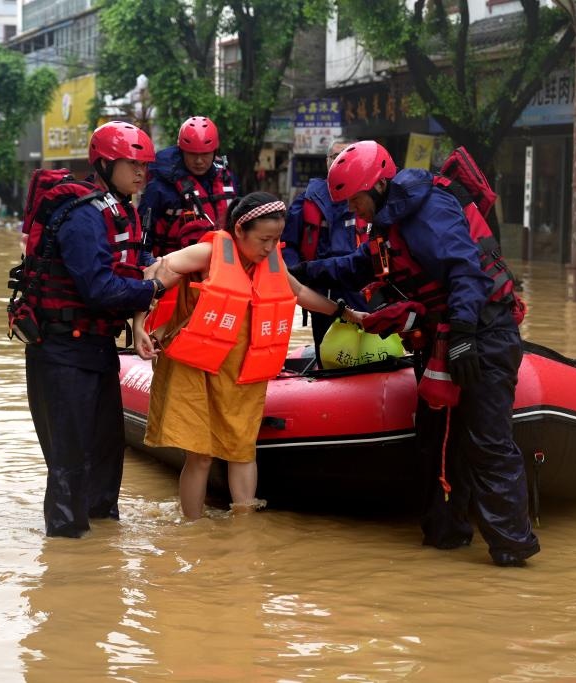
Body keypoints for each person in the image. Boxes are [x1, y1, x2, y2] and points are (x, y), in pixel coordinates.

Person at [291, 141, 540, 567]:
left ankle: (513, 549)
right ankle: (446, 536)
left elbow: (466, 271)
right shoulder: (389, 223)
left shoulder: (429, 212)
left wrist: (462, 335)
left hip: (481, 334)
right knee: (435, 439)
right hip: (443, 337)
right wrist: (300, 271)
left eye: (356, 199)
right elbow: (361, 266)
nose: (355, 210)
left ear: (380, 184)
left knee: (487, 440)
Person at [132, 192, 366, 520]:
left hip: (240, 371)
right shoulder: (209, 253)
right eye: (264, 239)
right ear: (240, 231)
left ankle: (244, 530)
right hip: (194, 367)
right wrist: (140, 325)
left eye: (276, 239)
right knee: (199, 456)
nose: (271, 248)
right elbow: (159, 270)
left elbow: (298, 293)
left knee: (243, 451)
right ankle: (192, 531)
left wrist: (346, 313)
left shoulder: (270, 263)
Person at [19, 121, 180, 538]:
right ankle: (67, 552)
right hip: (60, 352)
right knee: (70, 460)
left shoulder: (122, 209)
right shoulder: (84, 217)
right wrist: (152, 288)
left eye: (145, 164)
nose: (142, 173)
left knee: (108, 453)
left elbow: (124, 276)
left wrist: (141, 318)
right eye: (132, 164)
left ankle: (103, 550)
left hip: (96, 348)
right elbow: (98, 288)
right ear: (106, 164)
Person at [281, 138, 371, 362]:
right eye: (335, 157)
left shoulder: (368, 199)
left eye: (347, 156)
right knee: (327, 350)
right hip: (321, 287)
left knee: (368, 348)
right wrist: (294, 277)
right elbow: (289, 244)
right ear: (327, 161)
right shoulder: (307, 200)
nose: (340, 161)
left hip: (360, 287)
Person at [138, 115, 238, 256]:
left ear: (214, 151)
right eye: (192, 154)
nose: (198, 161)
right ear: (181, 151)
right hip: (175, 270)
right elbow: (142, 236)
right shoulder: (159, 187)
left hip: (222, 265)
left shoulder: (227, 179)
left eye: (205, 154)